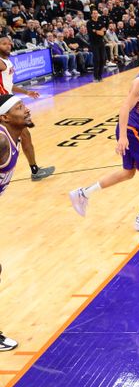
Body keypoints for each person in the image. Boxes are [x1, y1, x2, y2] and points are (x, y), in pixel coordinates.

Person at [69, 47, 139, 231]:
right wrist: (122, 137)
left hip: (134, 131)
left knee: (128, 173)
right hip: (134, 132)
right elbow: (124, 107)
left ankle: (83, 193)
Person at [0, 93, 38, 352]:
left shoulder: (13, 136)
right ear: (4, 117)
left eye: (24, 105)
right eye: (19, 107)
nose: (26, 110)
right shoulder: (1, 139)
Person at [0, 36, 55, 181]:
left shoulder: (7, 61)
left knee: (25, 136)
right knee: (23, 136)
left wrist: (26, 92)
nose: (8, 45)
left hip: (9, 103)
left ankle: (35, 170)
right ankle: (34, 171)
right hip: (4, 107)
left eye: (9, 43)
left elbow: (8, 85)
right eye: (4, 44)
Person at [87, 9, 107, 82]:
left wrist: (96, 31)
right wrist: (99, 31)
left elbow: (103, 33)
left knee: (102, 59)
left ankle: (100, 76)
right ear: (92, 15)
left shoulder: (101, 22)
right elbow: (91, 32)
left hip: (101, 42)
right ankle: (95, 77)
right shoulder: (89, 23)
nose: (95, 14)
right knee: (97, 59)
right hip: (94, 43)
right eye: (94, 13)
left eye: (96, 13)